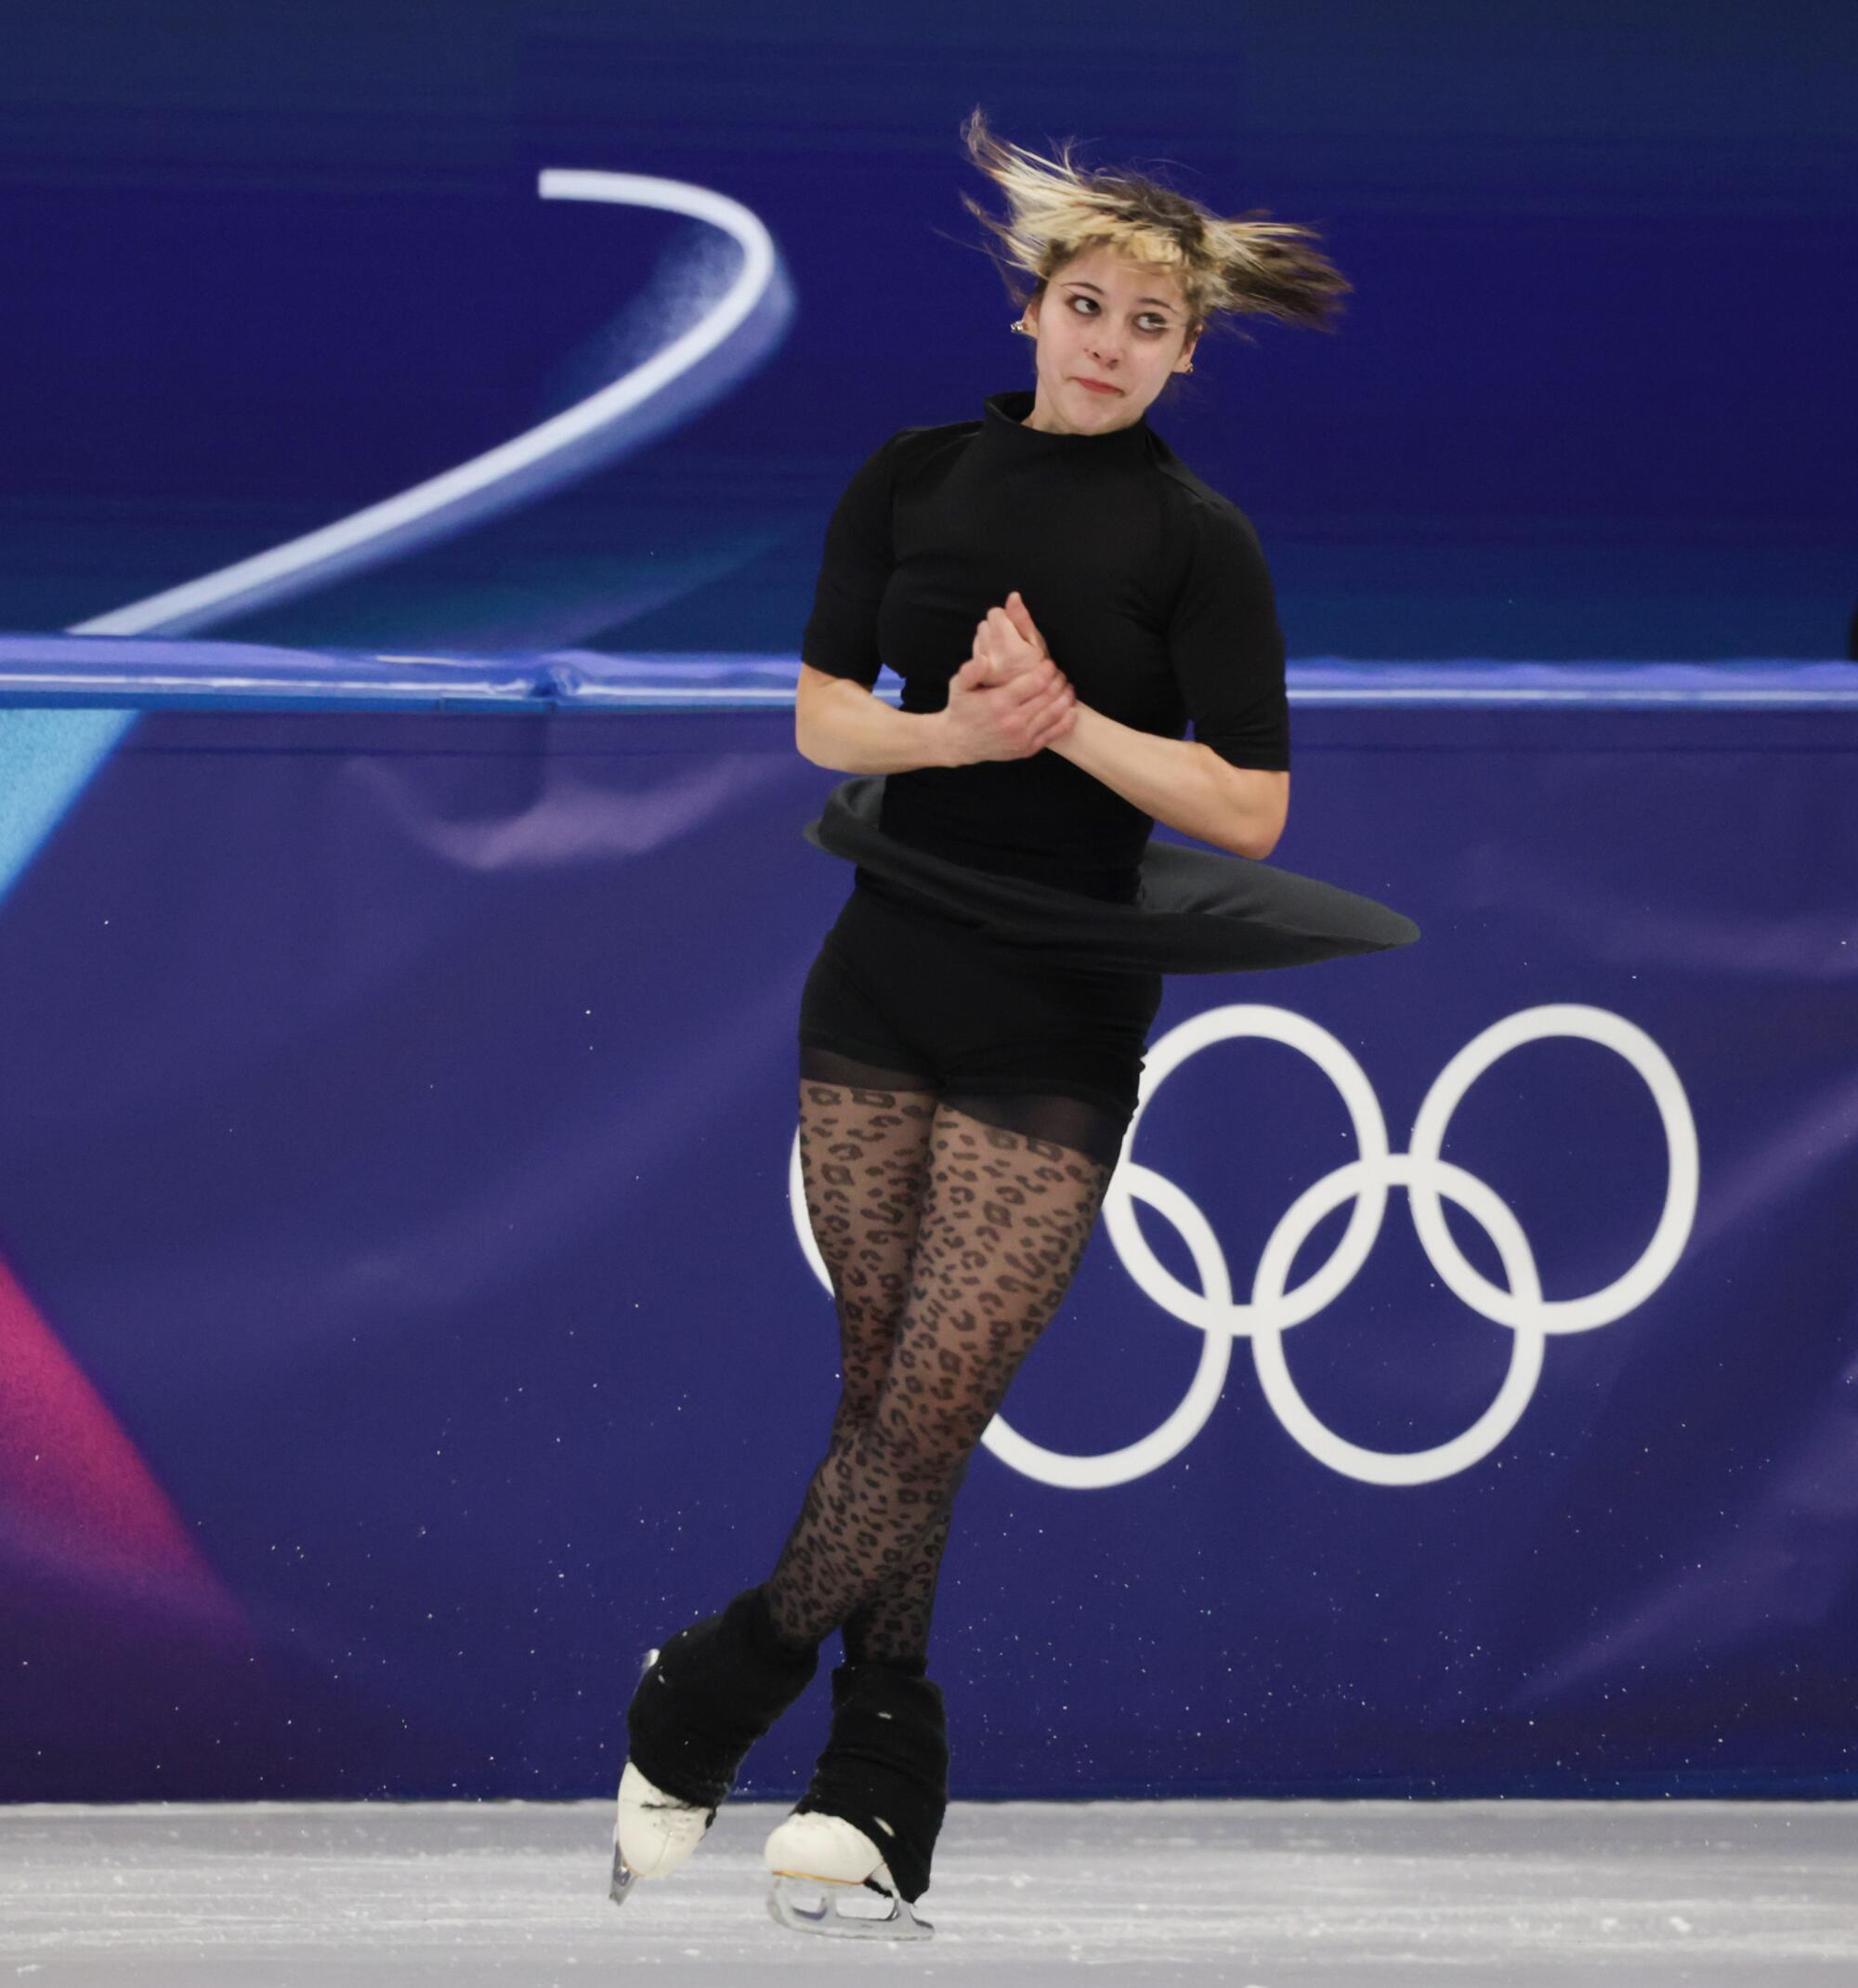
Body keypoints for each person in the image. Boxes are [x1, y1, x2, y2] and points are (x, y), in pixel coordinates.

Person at [609, 107, 1413, 1942]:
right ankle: (878, 1777)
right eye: (1088, 302)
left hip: (1058, 997)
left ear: (1188, 351)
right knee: (881, 1391)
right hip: (883, 966)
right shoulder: (905, 478)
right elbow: (823, 716)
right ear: (1032, 311)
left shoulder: (1197, 543)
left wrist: (1062, 730)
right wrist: (961, 731)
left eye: (1150, 319)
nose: (1114, 338)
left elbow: (1249, 810)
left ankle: (714, 1683)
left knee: (932, 1398)